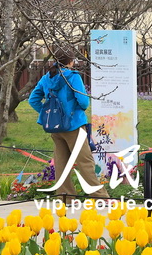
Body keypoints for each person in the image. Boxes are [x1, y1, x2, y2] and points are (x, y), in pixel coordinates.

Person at [28, 49, 110, 204]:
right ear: (71, 61)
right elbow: (83, 101)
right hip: (74, 126)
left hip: (55, 128)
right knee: (85, 162)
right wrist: (76, 111)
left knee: (61, 164)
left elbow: (33, 100)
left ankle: (66, 198)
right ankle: (100, 197)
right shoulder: (73, 76)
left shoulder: (47, 78)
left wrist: (48, 115)